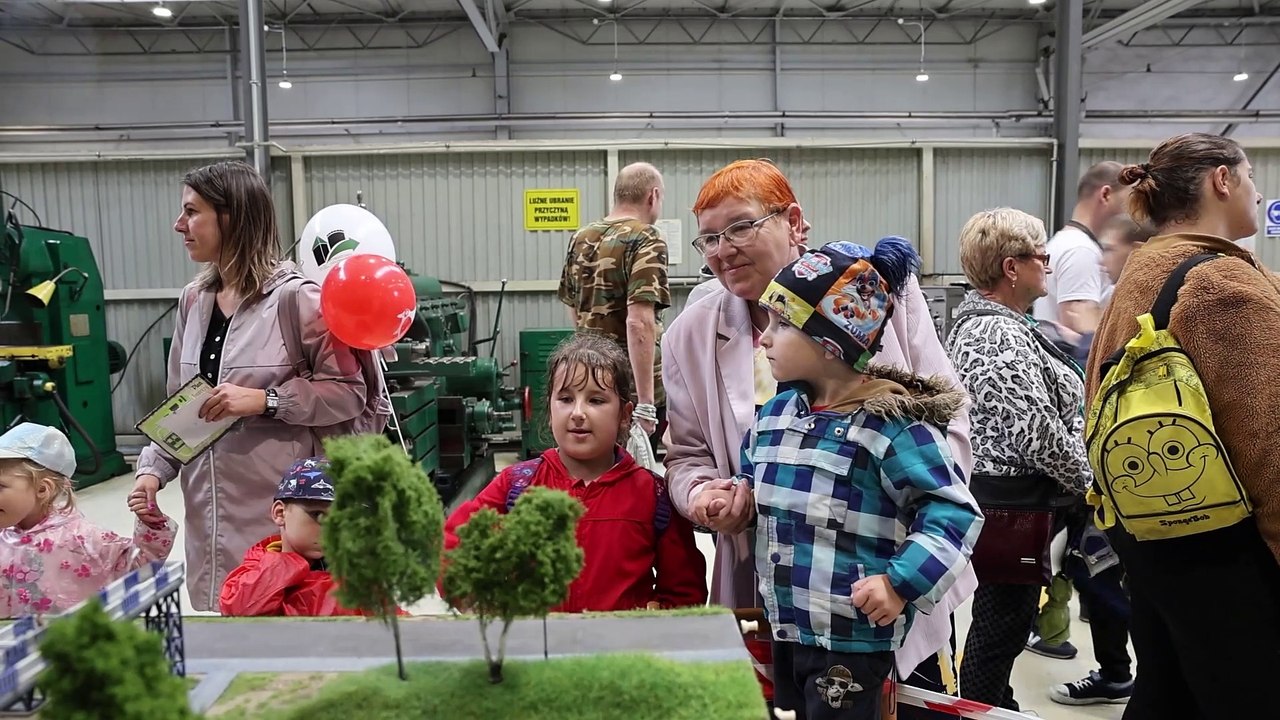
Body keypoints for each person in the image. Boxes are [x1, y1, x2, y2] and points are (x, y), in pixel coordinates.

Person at [663, 159, 975, 714]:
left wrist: (900, 568)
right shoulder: (689, 333)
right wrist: (710, 496)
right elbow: (688, 456)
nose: (722, 249)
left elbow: (947, 429)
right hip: (779, 597)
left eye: (739, 227)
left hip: (883, 595)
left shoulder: (874, 295)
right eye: (708, 238)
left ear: (793, 221)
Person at [1087, 132, 1278, 720]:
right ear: (1222, 180)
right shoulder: (1222, 285)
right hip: (1227, 549)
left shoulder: (1142, 271)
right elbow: (1269, 443)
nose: (1256, 192)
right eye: (1250, 177)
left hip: (1151, 533)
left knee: (1167, 692)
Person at [130, 161, 368, 611]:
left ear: (232, 216)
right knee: (226, 611)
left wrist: (266, 400)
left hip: (281, 514)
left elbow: (348, 392)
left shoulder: (297, 300)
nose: (179, 224)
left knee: (281, 620)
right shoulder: (193, 301)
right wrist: (153, 469)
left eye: (191, 212)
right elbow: (180, 404)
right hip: (207, 511)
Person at [442, 333, 706, 613]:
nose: (578, 413)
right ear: (549, 409)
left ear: (624, 414)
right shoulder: (517, 485)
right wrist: (474, 597)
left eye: (596, 400)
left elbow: (686, 591)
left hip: (619, 641)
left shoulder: (653, 496)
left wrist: (661, 618)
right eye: (566, 398)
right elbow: (455, 546)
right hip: (537, 640)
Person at [945, 208, 1090, 711]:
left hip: (1011, 504)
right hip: (1012, 509)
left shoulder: (1000, 326)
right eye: (1040, 257)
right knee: (999, 630)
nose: (1047, 266)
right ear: (1012, 267)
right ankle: (983, 709)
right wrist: (1090, 480)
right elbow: (1037, 434)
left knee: (1000, 626)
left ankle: (995, 706)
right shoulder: (996, 335)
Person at [0, 423, 176, 617]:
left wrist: (151, 526)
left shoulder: (82, 540)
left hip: (69, 635)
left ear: (43, 489)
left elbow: (137, 568)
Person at [558, 162, 669, 451]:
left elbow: (574, 306)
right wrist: (646, 403)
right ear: (653, 196)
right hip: (628, 387)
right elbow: (639, 321)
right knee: (631, 470)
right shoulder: (646, 237)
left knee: (595, 462)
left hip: (588, 378)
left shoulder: (581, 237)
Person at [219, 457, 371, 617]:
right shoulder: (254, 573)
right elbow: (239, 610)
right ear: (280, 513)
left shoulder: (358, 579)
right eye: (318, 514)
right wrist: (284, 565)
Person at [1033, 161, 1131, 363]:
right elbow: (1078, 327)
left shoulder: (1066, 242)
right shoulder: (1081, 251)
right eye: (1128, 200)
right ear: (1105, 194)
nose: (1132, 211)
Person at [1098, 214, 1156, 308]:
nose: (1101, 261)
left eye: (1109, 250)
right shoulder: (1109, 294)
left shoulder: (1155, 297)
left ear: (1136, 250)